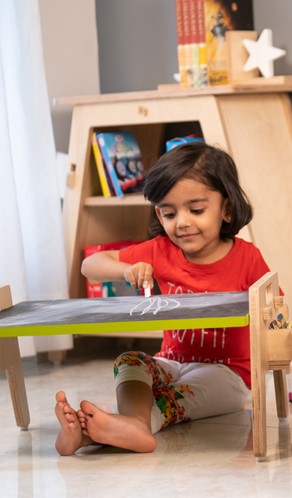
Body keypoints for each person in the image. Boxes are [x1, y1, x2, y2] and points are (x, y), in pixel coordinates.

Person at [55, 142, 272, 455]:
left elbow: (274, 310)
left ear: (226, 208)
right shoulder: (160, 250)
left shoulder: (247, 258)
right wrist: (126, 269)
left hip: (229, 374)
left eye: (196, 210)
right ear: (159, 212)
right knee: (129, 361)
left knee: (172, 396)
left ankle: (106, 432)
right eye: (169, 213)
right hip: (172, 360)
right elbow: (90, 265)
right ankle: (124, 429)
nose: (181, 222)